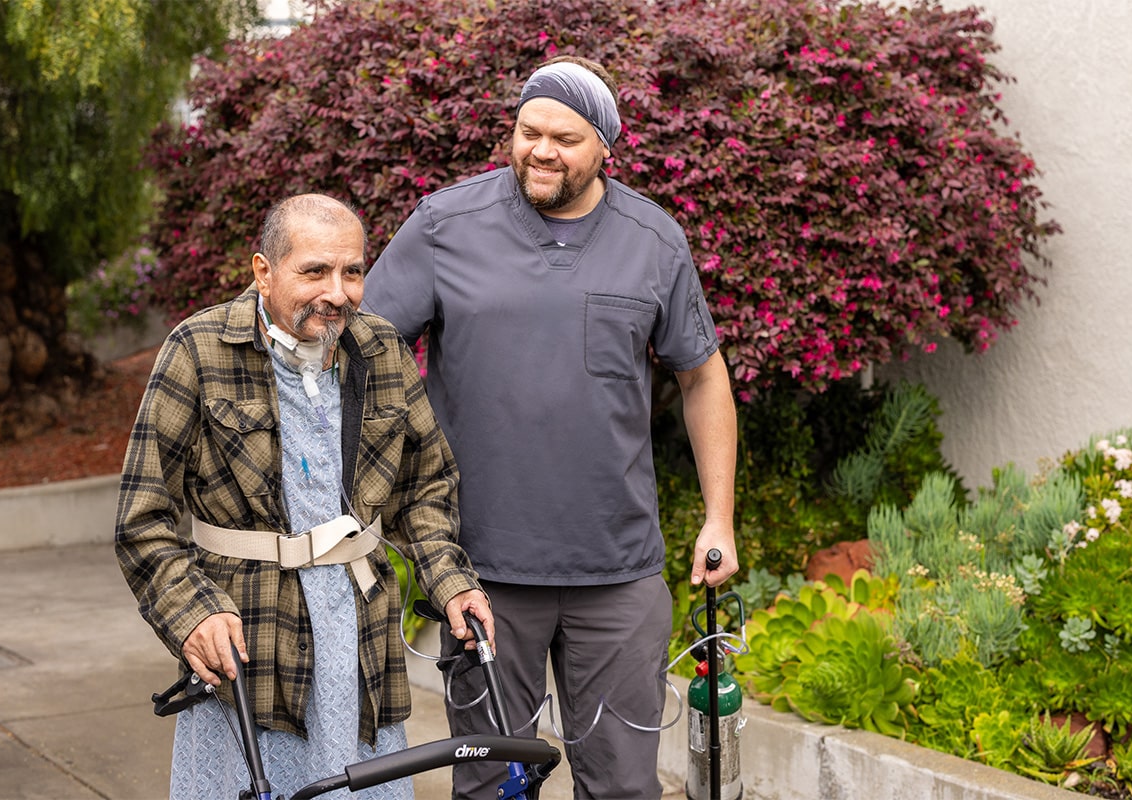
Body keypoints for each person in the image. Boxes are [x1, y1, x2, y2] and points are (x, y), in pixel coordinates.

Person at [361, 56, 738, 799]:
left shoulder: (652, 240)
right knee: (489, 787)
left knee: (625, 787)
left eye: (564, 137)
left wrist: (718, 517)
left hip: (618, 575)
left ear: (605, 146)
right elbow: (365, 354)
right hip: (482, 574)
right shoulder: (445, 226)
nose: (540, 149)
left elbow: (702, 377)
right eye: (528, 131)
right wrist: (397, 488)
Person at [115, 193, 493, 800]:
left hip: (360, 643)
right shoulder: (197, 350)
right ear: (263, 271)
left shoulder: (380, 350)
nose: (337, 293)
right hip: (249, 643)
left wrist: (450, 580)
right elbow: (143, 518)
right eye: (315, 271)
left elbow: (425, 488)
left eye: (352, 272)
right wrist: (194, 615)